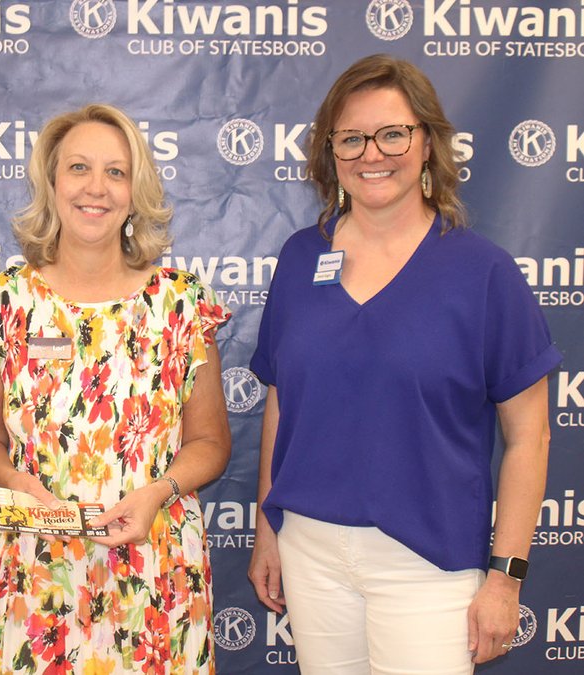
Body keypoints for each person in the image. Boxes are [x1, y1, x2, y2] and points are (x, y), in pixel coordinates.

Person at [247, 54, 561, 674]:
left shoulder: (484, 273)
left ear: (427, 143)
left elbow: (531, 436)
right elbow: (281, 403)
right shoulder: (300, 258)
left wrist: (505, 578)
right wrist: (268, 528)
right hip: (310, 551)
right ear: (331, 151)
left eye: (393, 133)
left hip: (428, 562)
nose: (372, 154)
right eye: (351, 137)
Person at [0, 103, 232, 674]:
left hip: (156, 573)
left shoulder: (180, 303)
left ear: (135, 192)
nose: (96, 188)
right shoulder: (4, 303)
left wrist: (158, 492)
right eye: (79, 168)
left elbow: (210, 443)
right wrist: (18, 482)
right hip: (36, 573)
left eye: (116, 172)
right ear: (52, 183)